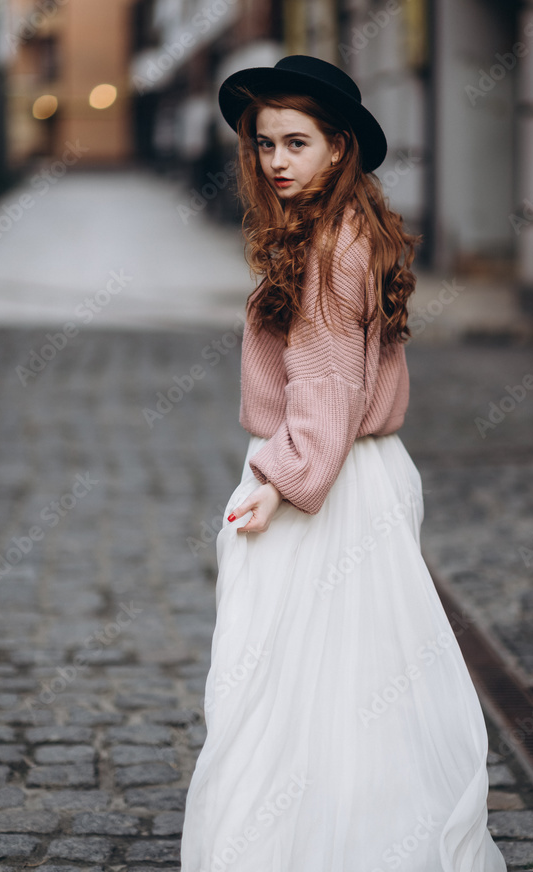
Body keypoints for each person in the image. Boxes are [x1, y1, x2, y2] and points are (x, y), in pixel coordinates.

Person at [179, 55, 507, 872]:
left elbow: (325, 385)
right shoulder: (356, 226)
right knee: (354, 680)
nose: (277, 160)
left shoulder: (331, 245)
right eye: (264, 144)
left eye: (297, 143)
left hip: (318, 479)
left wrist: (275, 487)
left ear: (340, 147)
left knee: (285, 682)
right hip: (361, 474)